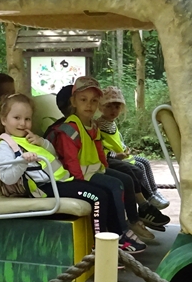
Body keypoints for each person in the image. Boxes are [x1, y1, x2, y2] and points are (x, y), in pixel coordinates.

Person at [0, 94, 129, 242]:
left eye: (27, 119)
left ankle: (117, 237)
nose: (23, 123)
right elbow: (6, 178)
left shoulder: (28, 138)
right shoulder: (5, 146)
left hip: (61, 182)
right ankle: (100, 244)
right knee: (97, 197)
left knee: (105, 191)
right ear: (3, 120)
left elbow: (53, 154)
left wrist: (42, 142)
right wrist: (22, 161)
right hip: (44, 189)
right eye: (17, 118)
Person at [47, 76, 149, 251]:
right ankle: (119, 232)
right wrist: (80, 181)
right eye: (83, 100)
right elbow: (71, 160)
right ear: (73, 102)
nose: (89, 105)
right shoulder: (70, 129)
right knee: (114, 186)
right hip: (81, 175)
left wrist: (105, 167)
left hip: (94, 169)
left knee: (124, 180)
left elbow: (98, 148)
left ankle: (126, 225)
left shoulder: (92, 125)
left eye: (94, 101)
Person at [96, 86, 172, 230]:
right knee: (138, 167)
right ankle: (147, 199)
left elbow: (118, 141)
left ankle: (153, 192)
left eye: (116, 107)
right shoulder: (99, 125)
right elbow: (101, 148)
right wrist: (116, 155)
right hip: (111, 158)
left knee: (144, 161)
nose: (113, 110)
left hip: (121, 156)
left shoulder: (112, 124)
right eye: (109, 106)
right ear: (100, 107)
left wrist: (125, 149)